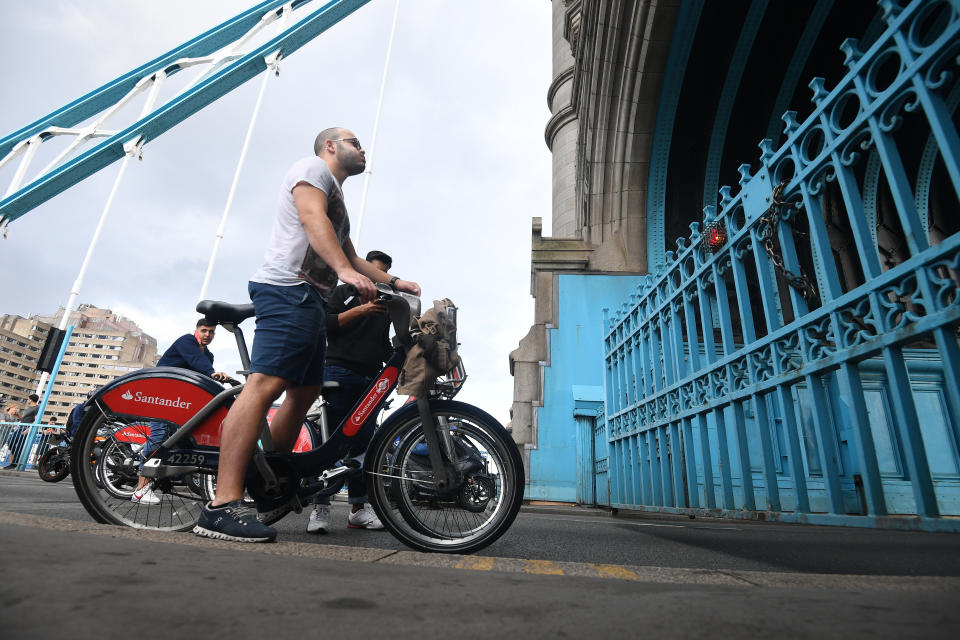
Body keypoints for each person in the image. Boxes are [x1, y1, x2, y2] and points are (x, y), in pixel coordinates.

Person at [193, 127, 420, 543]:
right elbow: (311, 219)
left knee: (304, 390)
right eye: (354, 141)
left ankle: (271, 481)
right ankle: (222, 505)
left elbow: (351, 254)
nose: (362, 147)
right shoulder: (312, 169)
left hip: (310, 299)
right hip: (286, 289)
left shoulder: (339, 199)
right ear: (330, 146)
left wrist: (396, 281)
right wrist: (345, 274)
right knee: (264, 386)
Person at [307, 249, 395, 534]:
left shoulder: (386, 306)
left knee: (363, 446)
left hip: (371, 379)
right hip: (339, 372)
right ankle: (320, 507)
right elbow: (326, 325)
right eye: (372, 272)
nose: (374, 279)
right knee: (330, 442)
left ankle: (359, 508)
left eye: (380, 275)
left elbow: (384, 346)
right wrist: (361, 309)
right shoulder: (341, 292)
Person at [131, 319, 230, 504]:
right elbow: (197, 362)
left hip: (178, 402)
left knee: (181, 440)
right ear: (196, 330)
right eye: (204, 330)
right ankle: (140, 489)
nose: (207, 335)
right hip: (160, 395)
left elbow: (201, 380)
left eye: (211, 332)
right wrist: (212, 373)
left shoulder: (209, 356)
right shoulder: (187, 342)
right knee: (159, 437)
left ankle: (163, 476)